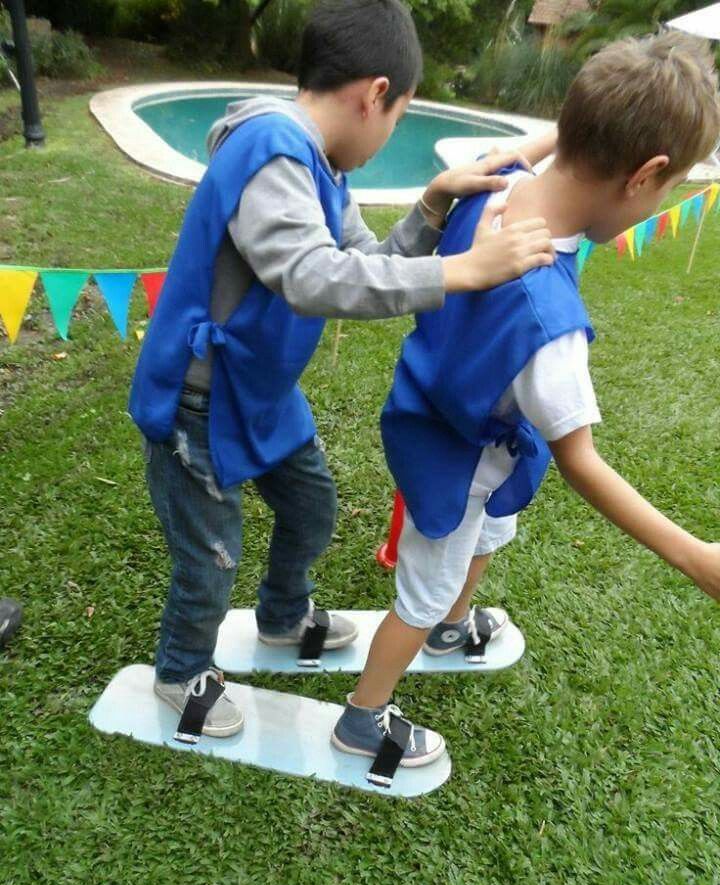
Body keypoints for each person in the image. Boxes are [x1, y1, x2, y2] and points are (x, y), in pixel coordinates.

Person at [129, 0, 556, 738]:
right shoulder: (271, 151)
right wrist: (462, 270)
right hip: (200, 400)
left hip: (262, 392)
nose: (390, 134)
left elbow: (367, 263)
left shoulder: (320, 165)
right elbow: (311, 276)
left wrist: (431, 205)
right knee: (210, 557)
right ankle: (181, 671)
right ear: (374, 94)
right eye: (399, 117)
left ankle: (282, 616)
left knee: (311, 506)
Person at [331, 31, 720, 774]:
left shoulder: (497, 179)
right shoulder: (550, 327)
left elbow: (543, 145)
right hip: (455, 453)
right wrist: (695, 558)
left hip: (451, 407)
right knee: (424, 588)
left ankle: (452, 629)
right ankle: (362, 716)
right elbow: (582, 463)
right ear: (645, 174)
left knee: (489, 536)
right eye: (669, 187)